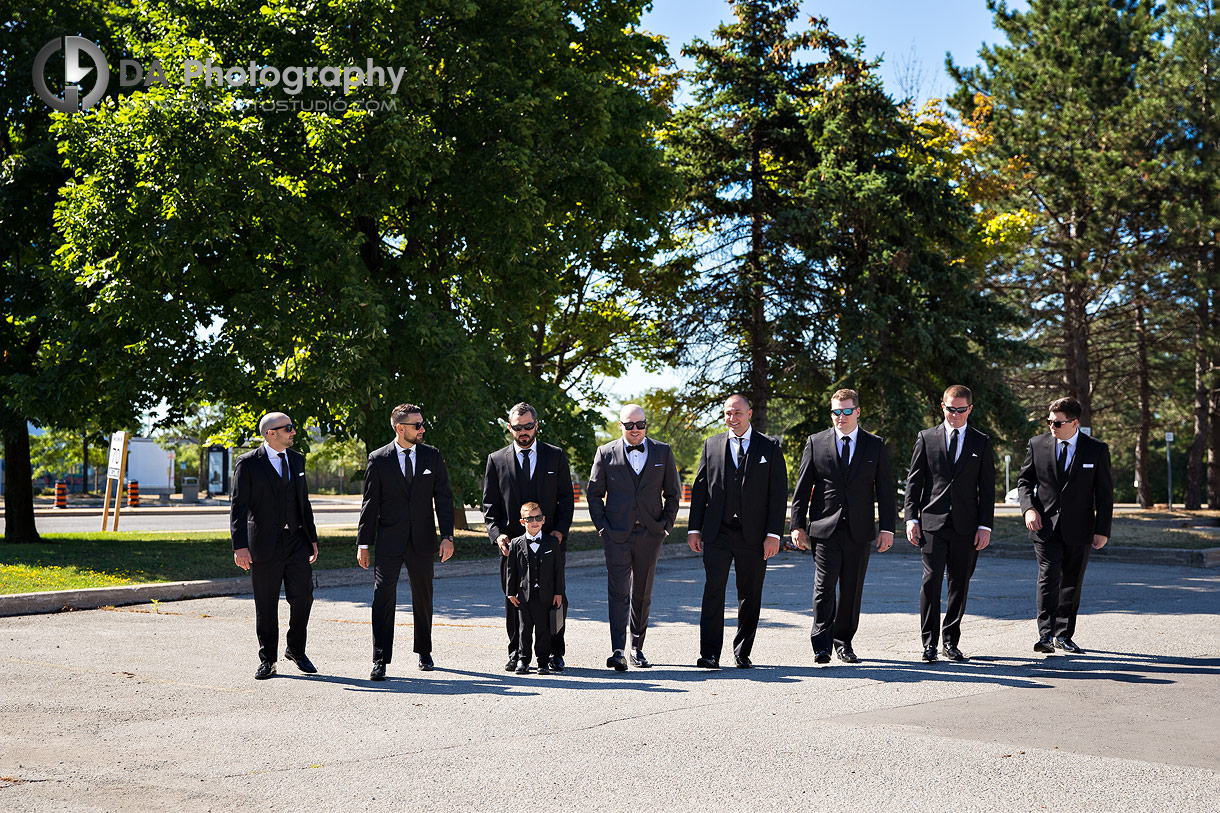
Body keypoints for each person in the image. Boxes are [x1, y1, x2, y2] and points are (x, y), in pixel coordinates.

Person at [790, 389, 896, 664]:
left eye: (847, 411)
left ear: (857, 412)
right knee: (824, 587)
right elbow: (802, 490)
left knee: (851, 589)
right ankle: (822, 645)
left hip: (859, 530)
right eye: (836, 412)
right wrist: (797, 525)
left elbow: (885, 491)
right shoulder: (816, 443)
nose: (841, 417)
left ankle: (844, 642)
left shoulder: (874, 445)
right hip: (824, 529)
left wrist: (887, 528)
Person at [687, 394, 788, 669]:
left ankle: (742, 652)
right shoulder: (712, 444)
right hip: (717, 533)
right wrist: (694, 529)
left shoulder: (769, 446)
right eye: (728, 413)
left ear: (749, 413)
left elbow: (778, 495)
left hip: (754, 536)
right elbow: (699, 490)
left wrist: (774, 534)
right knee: (713, 592)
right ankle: (709, 654)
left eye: (737, 413)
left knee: (750, 593)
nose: (732, 418)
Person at [357, 403, 455, 681]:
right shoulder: (379, 459)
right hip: (389, 540)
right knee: (382, 598)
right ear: (400, 428)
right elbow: (370, 504)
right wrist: (363, 544)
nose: (422, 429)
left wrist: (447, 536)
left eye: (423, 424)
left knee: (423, 597)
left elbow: (444, 500)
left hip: (423, 540)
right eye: (417, 425)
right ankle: (379, 658)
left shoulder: (432, 457)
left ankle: (424, 651)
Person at [903, 385, 995, 662]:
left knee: (959, 584)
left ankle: (950, 642)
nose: (955, 414)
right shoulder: (927, 438)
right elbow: (914, 482)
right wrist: (911, 518)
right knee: (931, 581)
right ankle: (929, 644)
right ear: (942, 407)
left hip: (967, 527)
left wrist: (985, 526)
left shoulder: (981, 441)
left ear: (970, 409)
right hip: (932, 523)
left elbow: (987, 489)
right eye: (950, 409)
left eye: (961, 410)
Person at [586, 404, 680, 671]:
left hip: (651, 534)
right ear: (620, 426)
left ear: (646, 424)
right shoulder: (605, 453)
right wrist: (602, 527)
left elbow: (673, 494)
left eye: (640, 424)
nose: (635, 429)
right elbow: (594, 494)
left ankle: (637, 648)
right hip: (616, 533)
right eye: (629, 425)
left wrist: (666, 527)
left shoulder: (663, 451)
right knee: (618, 592)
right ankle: (618, 650)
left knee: (642, 592)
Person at [1017, 396, 1113, 654]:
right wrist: (1028, 509)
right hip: (1044, 526)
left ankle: (1064, 634)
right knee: (1048, 578)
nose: (1052, 426)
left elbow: (1104, 494)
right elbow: (1024, 482)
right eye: (1049, 421)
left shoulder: (1096, 449)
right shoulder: (1037, 445)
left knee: (1071, 581)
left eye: (1058, 423)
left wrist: (1102, 530)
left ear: (1074, 423)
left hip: (1080, 528)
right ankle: (1045, 635)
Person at [483, 403, 575, 671]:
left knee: (555, 597)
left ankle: (556, 652)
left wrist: (560, 531)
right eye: (517, 428)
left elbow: (566, 499)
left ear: (536, 425)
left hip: (550, 544)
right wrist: (497, 534)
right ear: (510, 428)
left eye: (528, 426)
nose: (523, 432)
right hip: (513, 546)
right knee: (514, 598)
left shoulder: (555, 456)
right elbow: (489, 506)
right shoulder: (496, 460)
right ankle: (516, 653)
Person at [230, 412, 319, 680]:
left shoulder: (296, 459)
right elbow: (238, 507)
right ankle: (267, 659)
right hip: (263, 545)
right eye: (288, 428)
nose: (293, 432)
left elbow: (304, 503)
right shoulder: (248, 464)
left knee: (303, 598)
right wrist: (239, 546)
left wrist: (312, 538)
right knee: (266, 604)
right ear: (271, 433)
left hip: (296, 542)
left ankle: (296, 649)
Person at [505, 502, 565, 675]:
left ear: (544, 520)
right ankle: (523, 660)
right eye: (530, 518)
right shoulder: (516, 543)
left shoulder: (552, 542)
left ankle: (543, 661)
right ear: (523, 522)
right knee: (524, 629)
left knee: (543, 629)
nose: (534, 522)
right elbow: (512, 571)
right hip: (524, 595)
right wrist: (511, 592)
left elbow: (558, 571)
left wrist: (558, 592)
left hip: (545, 595)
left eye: (538, 518)